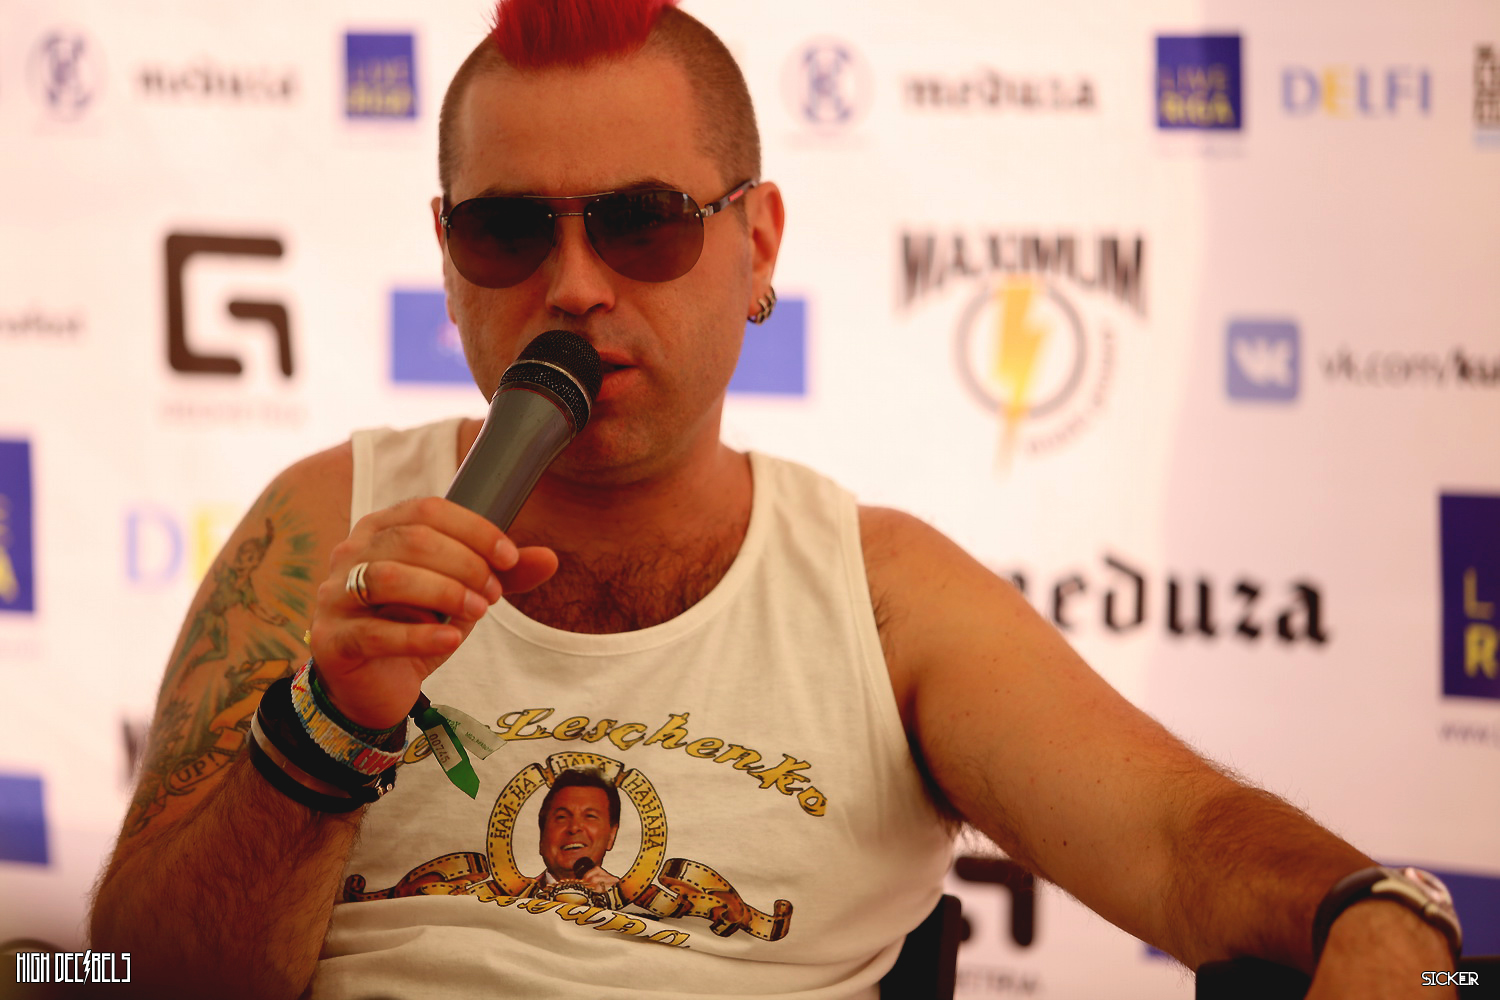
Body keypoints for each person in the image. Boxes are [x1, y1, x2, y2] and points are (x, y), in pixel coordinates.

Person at [89, 0, 1464, 997]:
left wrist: (1373, 907)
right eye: (511, 230)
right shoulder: (324, 522)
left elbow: (1176, 843)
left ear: (756, 246)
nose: (574, 285)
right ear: (449, 261)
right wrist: (322, 732)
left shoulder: (880, 594)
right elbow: (127, 976)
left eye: (641, 222)